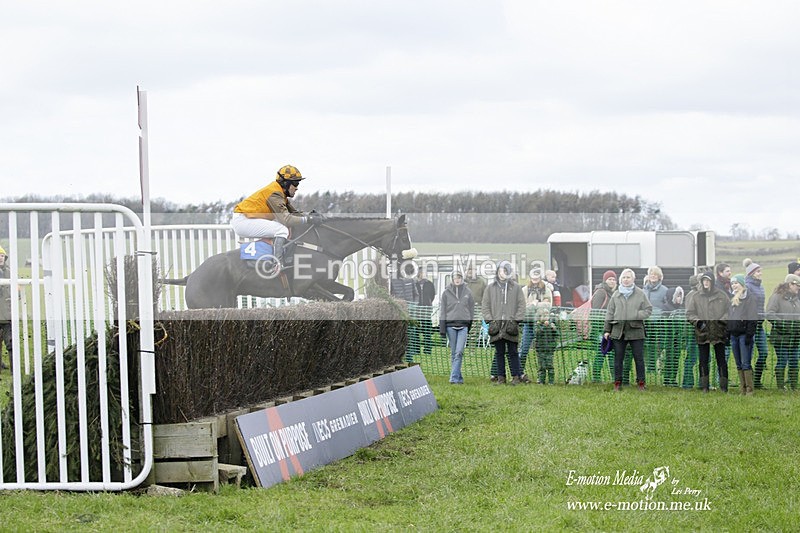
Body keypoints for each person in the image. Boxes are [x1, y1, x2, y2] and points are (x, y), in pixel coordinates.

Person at [230, 164, 324, 272]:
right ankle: (277, 264)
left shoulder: (279, 193)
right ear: (286, 183)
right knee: (281, 229)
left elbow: (294, 213)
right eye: (295, 183)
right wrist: (309, 219)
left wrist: (309, 215)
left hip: (246, 219)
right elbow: (287, 220)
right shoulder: (275, 194)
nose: (297, 187)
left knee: (282, 228)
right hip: (243, 221)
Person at [603, 268, 653, 391]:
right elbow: (610, 313)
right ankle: (617, 383)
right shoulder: (616, 295)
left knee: (639, 359)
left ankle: (641, 383)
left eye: (628, 277)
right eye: (624, 277)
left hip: (636, 331)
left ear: (633, 279)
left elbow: (648, 310)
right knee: (618, 359)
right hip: (618, 330)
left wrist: (636, 314)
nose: (626, 280)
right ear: (621, 279)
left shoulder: (640, 293)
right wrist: (607, 330)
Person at [482, 261, 526, 385]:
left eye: (505, 271)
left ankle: (516, 377)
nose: (502, 273)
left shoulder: (516, 287)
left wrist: (516, 320)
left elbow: (521, 305)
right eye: (501, 270)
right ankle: (501, 377)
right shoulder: (490, 288)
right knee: (499, 352)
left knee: (513, 352)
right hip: (496, 324)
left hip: (511, 324)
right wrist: (490, 320)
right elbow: (485, 305)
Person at [686, 272, 729, 393]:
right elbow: (690, 313)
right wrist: (698, 322)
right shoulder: (696, 296)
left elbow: (729, 311)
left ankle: (724, 386)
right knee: (703, 360)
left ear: (712, 282)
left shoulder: (722, 295)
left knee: (721, 359)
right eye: (704, 280)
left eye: (708, 280)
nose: (706, 282)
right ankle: (704, 386)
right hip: (702, 331)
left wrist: (722, 322)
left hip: (719, 331)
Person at [439, 271, 475, 384]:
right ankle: (458, 378)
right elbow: (443, 311)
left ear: (462, 279)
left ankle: (453, 378)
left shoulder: (468, 292)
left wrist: (469, 323)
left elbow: (471, 309)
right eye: (455, 278)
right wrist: (442, 328)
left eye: (459, 277)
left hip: (463, 326)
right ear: (452, 279)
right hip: (450, 326)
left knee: (459, 352)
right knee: (454, 353)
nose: (457, 279)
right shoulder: (445, 293)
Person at [766, 274, 800, 390]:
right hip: (781, 336)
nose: (798, 287)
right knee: (782, 361)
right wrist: (784, 325)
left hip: (795, 337)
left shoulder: (796, 300)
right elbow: (770, 314)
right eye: (797, 285)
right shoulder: (776, 297)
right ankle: (781, 387)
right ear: (790, 284)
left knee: (794, 361)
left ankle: (794, 386)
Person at [728, 274, 759, 395]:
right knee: (738, 363)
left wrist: (749, 335)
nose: (734, 285)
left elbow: (753, 318)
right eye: (732, 283)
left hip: (744, 335)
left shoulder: (750, 298)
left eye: (736, 283)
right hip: (734, 335)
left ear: (742, 284)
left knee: (746, 363)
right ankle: (742, 388)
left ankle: (749, 389)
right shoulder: (732, 298)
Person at [519, 269, 552, 381]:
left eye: (537, 278)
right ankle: (519, 373)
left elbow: (548, 306)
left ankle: (541, 377)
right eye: (533, 278)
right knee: (524, 349)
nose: (535, 280)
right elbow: (523, 307)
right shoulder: (524, 290)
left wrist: (534, 304)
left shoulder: (546, 289)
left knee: (541, 351)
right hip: (528, 322)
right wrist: (536, 305)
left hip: (542, 324)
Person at [743, 259, 769, 389]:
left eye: (760, 271)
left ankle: (757, 379)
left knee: (764, 353)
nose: (760, 273)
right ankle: (748, 382)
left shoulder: (761, 286)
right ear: (751, 273)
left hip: (760, 325)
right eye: (758, 271)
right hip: (750, 326)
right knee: (749, 354)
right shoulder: (747, 287)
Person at [642, 266, 670, 376]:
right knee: (647, 345)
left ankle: (658, 366)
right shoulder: (643, 290)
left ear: (659, 277)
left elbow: (667, 306)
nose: (653, 276)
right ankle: (650, 367)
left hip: (658, 323)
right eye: (651, 274)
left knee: (658, 345)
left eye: (655, 274)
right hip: (646, 322)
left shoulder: (665, 290)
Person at [590, 270, 617, 382]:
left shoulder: (613, 293)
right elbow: (595, 311)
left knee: (611, 352)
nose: (612, 281)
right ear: (605, 280)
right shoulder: (601, 292)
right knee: (601, 352)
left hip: (610, 328)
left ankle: (614, 377)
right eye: (609, 279)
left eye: (614, 279)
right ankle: (596, 376)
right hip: (599, 328)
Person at [390, 269, 419, 363]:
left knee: (410, 334)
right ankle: (397, 357)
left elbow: (416, 295)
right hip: (398, 312)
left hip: (410, 313)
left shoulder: (411, 280)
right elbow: (390, 295)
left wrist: (414, 305)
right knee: (398, 335)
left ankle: (409, 356)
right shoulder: (392, 280)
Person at [680, 275, 701, 389]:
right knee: (692, 357)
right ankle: (687, 383)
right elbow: (690, 314)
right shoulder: (692, 295)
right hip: (694, 331)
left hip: (700, 331)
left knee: (703, 358)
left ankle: (702, 382)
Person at [534, 307, 559, 384]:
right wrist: (544, 326)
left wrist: (554, 329)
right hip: (540, 349)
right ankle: (541, 380)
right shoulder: (538, 325)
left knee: (550, 365)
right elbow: (537, 333)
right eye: (543, 316)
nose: (546, 318)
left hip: (549, 349)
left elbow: (557, 334)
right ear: (539, 317)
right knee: (542, 366)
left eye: (547, 316)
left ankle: (551, 381)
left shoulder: (551, 325)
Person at [415, 270, 436, 355]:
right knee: (416, 330)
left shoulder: (430, 284)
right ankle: (416, 349)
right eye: (422, 273)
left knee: (427, 330)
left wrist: (428, 302)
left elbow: (432, 295)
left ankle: (427, 349)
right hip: (416, 310)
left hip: (426, 309)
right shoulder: (415, 283)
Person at [0, 245, 12, 372]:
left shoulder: (9, 272)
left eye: (2, 255)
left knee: (10, 341)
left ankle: (14, 368)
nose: (0, 258)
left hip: (7, 313)